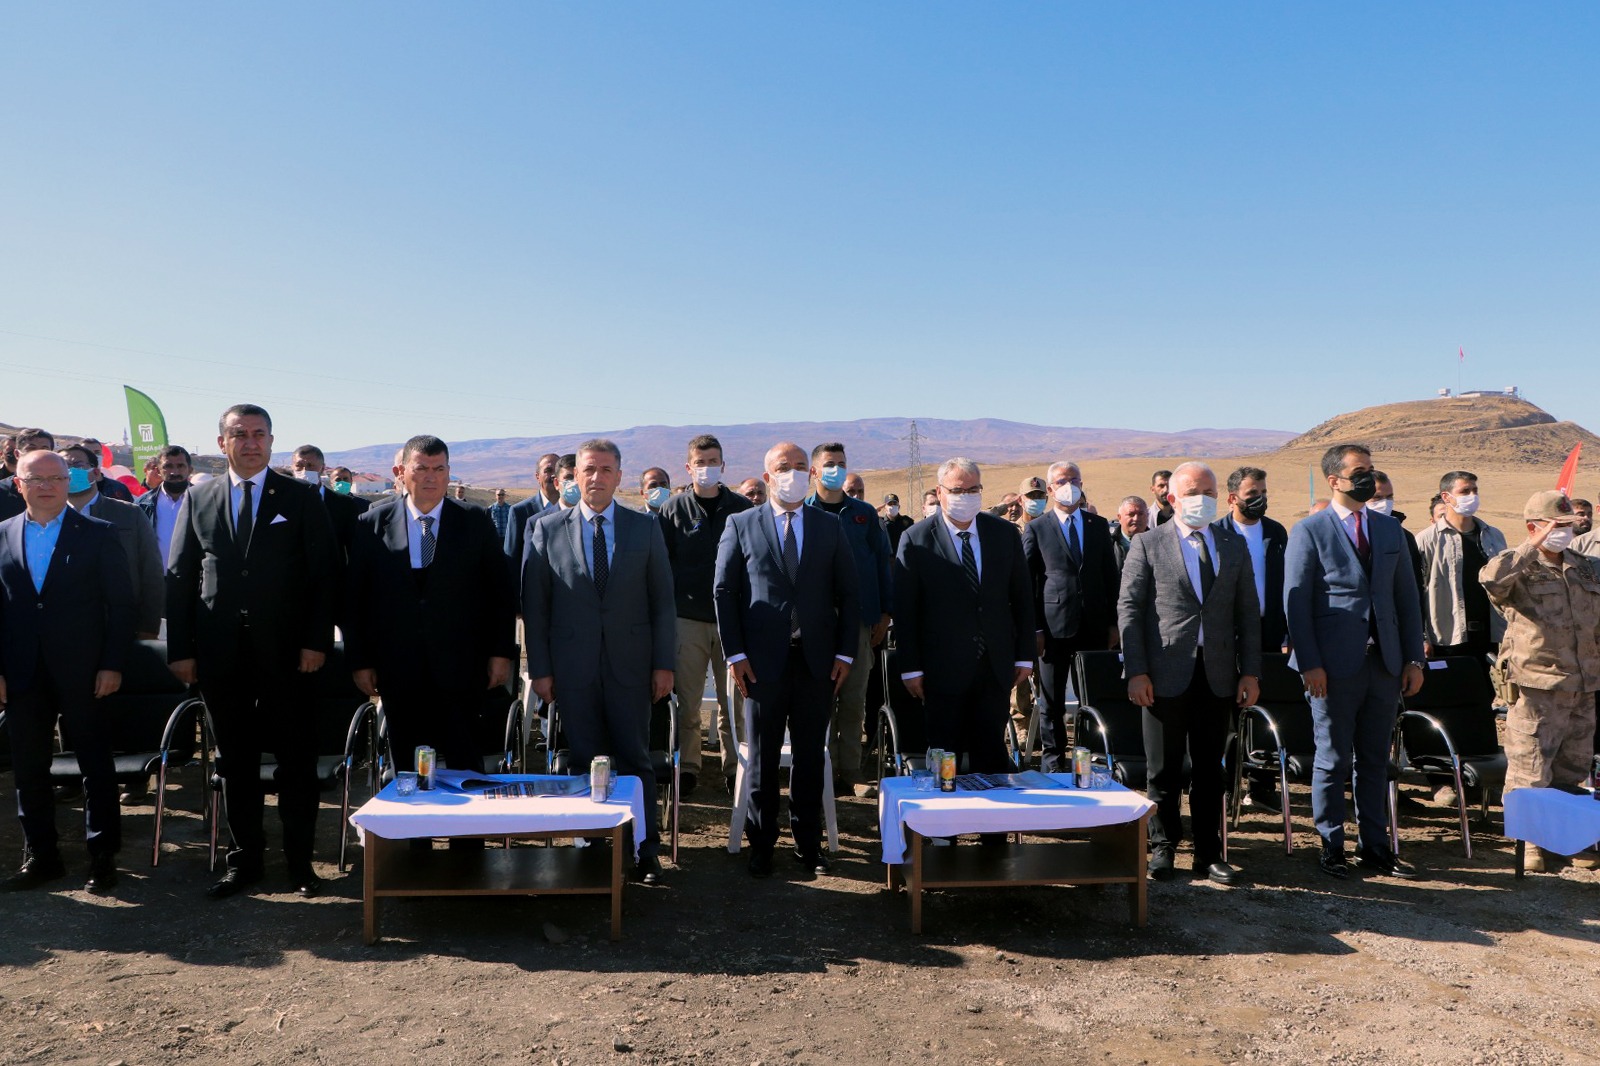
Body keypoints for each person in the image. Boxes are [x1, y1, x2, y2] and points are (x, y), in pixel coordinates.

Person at [166, 404, 339, 899]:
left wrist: (316, 642)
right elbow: (180, 575)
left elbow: (325, 574)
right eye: (239, 434)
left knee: (296, 763)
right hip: (220, 654)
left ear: (271, 442)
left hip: (289, 655)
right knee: (235, 762)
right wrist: (181, 649)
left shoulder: (301, 497)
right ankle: (244, 862)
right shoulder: (200, 498)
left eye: (259, 434)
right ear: (222, 443)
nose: (250, 443)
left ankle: (300, 864)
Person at [522, 439, 675, 884]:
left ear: (619, 477)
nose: (596, 477)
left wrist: (663, 663)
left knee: (635, 760)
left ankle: (644, 850)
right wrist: (541, 670)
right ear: (573, 476)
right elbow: (536, 608)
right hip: (573, 668)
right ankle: (589, 848)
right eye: (588, 469)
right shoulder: (546, 529)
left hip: (633, 667)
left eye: (606, 470)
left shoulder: (645, 528)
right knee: (584, 759)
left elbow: (662, 603)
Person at [714, 442, 859, 878]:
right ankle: (762, 845)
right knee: (761, 758)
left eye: (799, 466)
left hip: (818, 663)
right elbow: (724, 591)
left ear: (811, 473)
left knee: (810, 756)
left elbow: (849, 593)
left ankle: (808, 845)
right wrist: (735, 653)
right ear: (767, 475)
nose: (792, 473)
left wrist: (845, 652)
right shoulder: (741, 523)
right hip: (760, 664)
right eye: (783, 466)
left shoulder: (829, 526)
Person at [1284, 443, 1425, 881]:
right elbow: (1297, 605)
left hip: (1384, 664)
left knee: (1375, 759)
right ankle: (1331, 845)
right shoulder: (1309, 531)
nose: (1368, 478)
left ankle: (1375, 846)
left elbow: (1407, 599)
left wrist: (1413, 658)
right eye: (1359, 471)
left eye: (1371, 470)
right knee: (1332, 759)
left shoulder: (1389, 530)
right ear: (1334, 480)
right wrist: (1309, 664)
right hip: (1331, 667)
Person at [344, 436, 516, 789]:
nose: (431, 477)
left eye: (439, 469)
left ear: (449, 473)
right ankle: (411, 826)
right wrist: (360, 661)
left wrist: (501, 653)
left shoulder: (474, 521)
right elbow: (355, 600)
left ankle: (465, 827)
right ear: (401, 471)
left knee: (466, 765)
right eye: (421, 468)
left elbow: (499, 594)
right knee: (409, 770)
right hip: (398, 669)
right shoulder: (371, 523)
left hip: (462, 668)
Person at [1120, 461, 1260, 884]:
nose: (1203, 500)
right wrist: (1136, 671)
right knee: (1162, 770)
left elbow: (1248, 613)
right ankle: (1163, 848)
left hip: (1217, 675)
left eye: (1210, 493)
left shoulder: (1232, 545)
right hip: (1163, 674)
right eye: (1194, 492)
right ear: (1172, 498)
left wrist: (1250, 672)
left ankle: (1208, 853)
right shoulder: (1148, 544)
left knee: (1210, 770)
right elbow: (1130, 611)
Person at [0, 451, 134, 892]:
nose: (47, 486)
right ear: (18, 484)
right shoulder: (2, 534)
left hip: (87, 671)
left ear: (69, 481)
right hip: (22, 673)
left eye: (56, 478)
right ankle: (42, 856)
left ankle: (102, 856)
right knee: (29, 768)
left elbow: (122, 606)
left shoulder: (98, 533)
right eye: (35, 478)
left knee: (96, 765)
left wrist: (112, 664)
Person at [1479, 491, 1600, 872]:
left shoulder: (1586, 568)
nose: (1564, 532)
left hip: (1582, 684)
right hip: (1537, 686)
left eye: (1568, 525)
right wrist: (1532, 545)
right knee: (1531, 766)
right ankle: (1530, 843)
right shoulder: (1518, 568)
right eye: (1556, 525)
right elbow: (1491, 580)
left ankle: (1566, 839)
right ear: (1534, 527)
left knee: (1572, 768)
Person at [894, 458, 1033, 782]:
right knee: (946, 757)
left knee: (992, 755)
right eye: (958, 490)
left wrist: (1024, 655)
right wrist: (911, 667)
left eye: (973, 490)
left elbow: (1022, 598)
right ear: (940, 492)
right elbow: (905, 610)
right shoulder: (916, 539)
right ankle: (946, 815)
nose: (966, 497)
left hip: (994, 665)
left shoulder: (1003, 533)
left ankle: (994, 813)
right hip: (941, 669)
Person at [658, 434, 751, 794]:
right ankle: (688, 767)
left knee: (735, 702)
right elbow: (662, 566)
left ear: (723, 465)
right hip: (688, 620)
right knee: (688, 702)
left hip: (733, 622)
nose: (707, 468)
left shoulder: (742, 508)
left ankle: (735, 768)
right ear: (689, 467)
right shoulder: (672, 510)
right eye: (700, 462)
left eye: (713, 462)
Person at [806, 443, 893, 795]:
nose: (836, 470)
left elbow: (883, 562)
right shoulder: (804, 511)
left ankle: (852, 770)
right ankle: (822, 767)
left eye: (841, 463)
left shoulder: (863, 514)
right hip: (816, 621)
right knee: (820, 698)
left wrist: (885, 612)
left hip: (858, 619)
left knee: (855, 697)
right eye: (829, 464)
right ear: (814, 471)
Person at [1020, 460, 1118, 773]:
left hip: (1094, 626)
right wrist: (1035, 628)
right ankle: (1053, 761)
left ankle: (1089, 758)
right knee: (1052, 700)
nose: (1069, 485)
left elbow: (1110, 576)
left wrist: (1114, 623)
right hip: (1053, 628)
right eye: (1062, 481)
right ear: (1050, 489)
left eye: (1074, 479)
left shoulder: (1097, 525)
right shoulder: (1037, 528)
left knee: (1093, 696)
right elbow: (1028, 582)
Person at [60, 444, 163, 638]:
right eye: (64, 467)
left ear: (96, 472)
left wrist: (149, 627)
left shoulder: (129, 514)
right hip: (65, 628)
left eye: (77, 465)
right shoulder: (51, 517)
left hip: (119, 624)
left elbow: (151, 571)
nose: (70, 472)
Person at [1415, 471, 1506, 661]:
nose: (1472, 496)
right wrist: (1422, 637)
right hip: (1448, 639)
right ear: (1446, 497)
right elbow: (1416, 591)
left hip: (1493, 635)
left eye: (1475, 490)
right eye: (1465, 491)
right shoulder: (1427, 540)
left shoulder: (1493, 536)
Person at [290, 444, 370, 559]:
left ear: (322, 468)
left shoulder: (344, 504)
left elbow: (354, 549)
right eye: (299, 466)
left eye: (310, 466)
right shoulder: (283, 502)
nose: (304, 471)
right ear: (292, 467)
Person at [504, 453, 573, 565]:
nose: (553, 475)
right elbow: (512, 557)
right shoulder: (520, 512)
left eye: (556, 470)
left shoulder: (574, 508)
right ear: (537, 477)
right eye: (548, 470)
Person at [136, 445, 193, 570]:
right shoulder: (142, 504)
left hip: (195, 578)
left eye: (180, 466)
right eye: (168, 466)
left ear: (190, 470)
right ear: (158, 470)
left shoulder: (206, 501)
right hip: (156, 577)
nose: (174, 472)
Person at [0, 428, 55, 521]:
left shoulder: (60, 487)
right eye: (31, 448)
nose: (38, 454)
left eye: (44, 449)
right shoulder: (2, 490)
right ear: (17, 454)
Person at [1110, 495, 1148, 571]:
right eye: (1131, 514)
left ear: (1147, 516)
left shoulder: (1158, 543)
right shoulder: (1108, 543)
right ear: (1119, 517)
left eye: (1141, 514)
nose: (1136, 519)